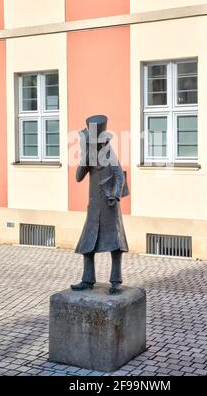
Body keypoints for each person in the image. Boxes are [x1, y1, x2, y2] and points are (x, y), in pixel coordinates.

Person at [71, 115, 129, 295]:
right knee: (87, 244)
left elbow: (119, 176)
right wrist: (84, 159)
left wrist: (115, 194)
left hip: (110, 205)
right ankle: (88, 279)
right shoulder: (89, 155)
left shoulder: (110, 154)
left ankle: (116, 282)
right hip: (94, 206)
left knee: (115, 244)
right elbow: (78, 177)